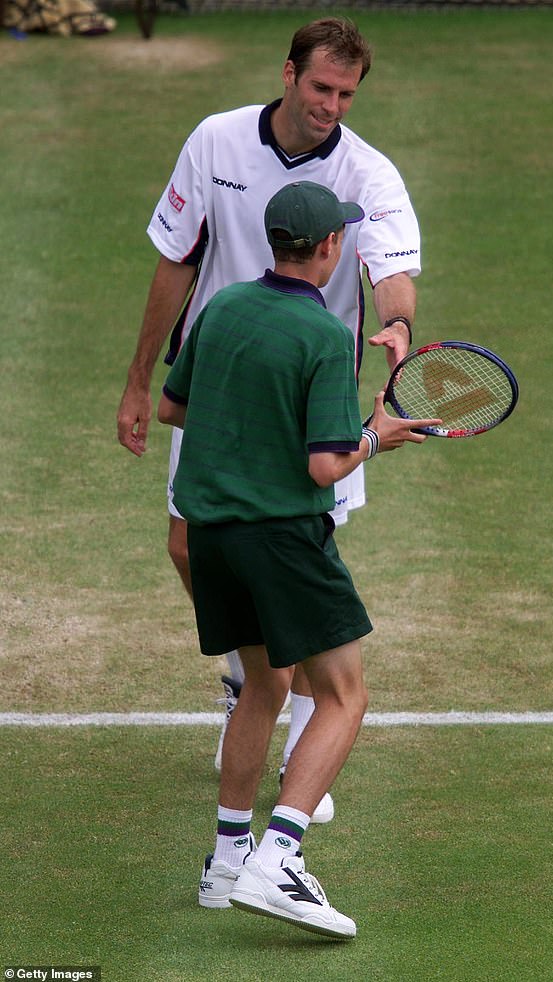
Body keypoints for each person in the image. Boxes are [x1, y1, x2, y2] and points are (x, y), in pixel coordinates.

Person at [117, 17, 422, 827]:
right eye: (321, 88)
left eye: (346, 94)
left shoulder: (371, 174)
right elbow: (177, 257)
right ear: (289, 74)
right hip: (215, 385)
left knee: (293, 558)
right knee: (189, 543)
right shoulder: (216, 141)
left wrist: (396, 326)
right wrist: (139, 380)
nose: (331, 106)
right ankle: (251, 677)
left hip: (306, 398)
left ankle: (287, 722)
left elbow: (392, 272)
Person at [157, 180, 439, 939]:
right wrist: (379, 436)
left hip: (211, 534)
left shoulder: (223, 308)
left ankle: (224, 863)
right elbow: (325, 466)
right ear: (328, 248)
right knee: (344, 695)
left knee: (264, 687)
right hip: (280, 539)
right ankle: (277, 857)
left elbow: (173, 406)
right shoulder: (322, 335)